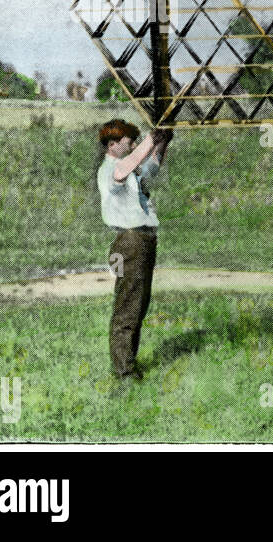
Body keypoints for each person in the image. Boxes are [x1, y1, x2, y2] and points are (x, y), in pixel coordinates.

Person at [97, 119, 173, 382]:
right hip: (128, 243)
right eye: (129, 143)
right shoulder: (111, 170)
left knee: (138, 305)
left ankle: (128, 364)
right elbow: (124, 170)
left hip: (142, 240)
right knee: (127, 307)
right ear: (113, 144)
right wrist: (150, 140)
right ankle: (124, 373)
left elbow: (149, 169)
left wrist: (162, 144)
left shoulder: (129, 169)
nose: (132, 148)